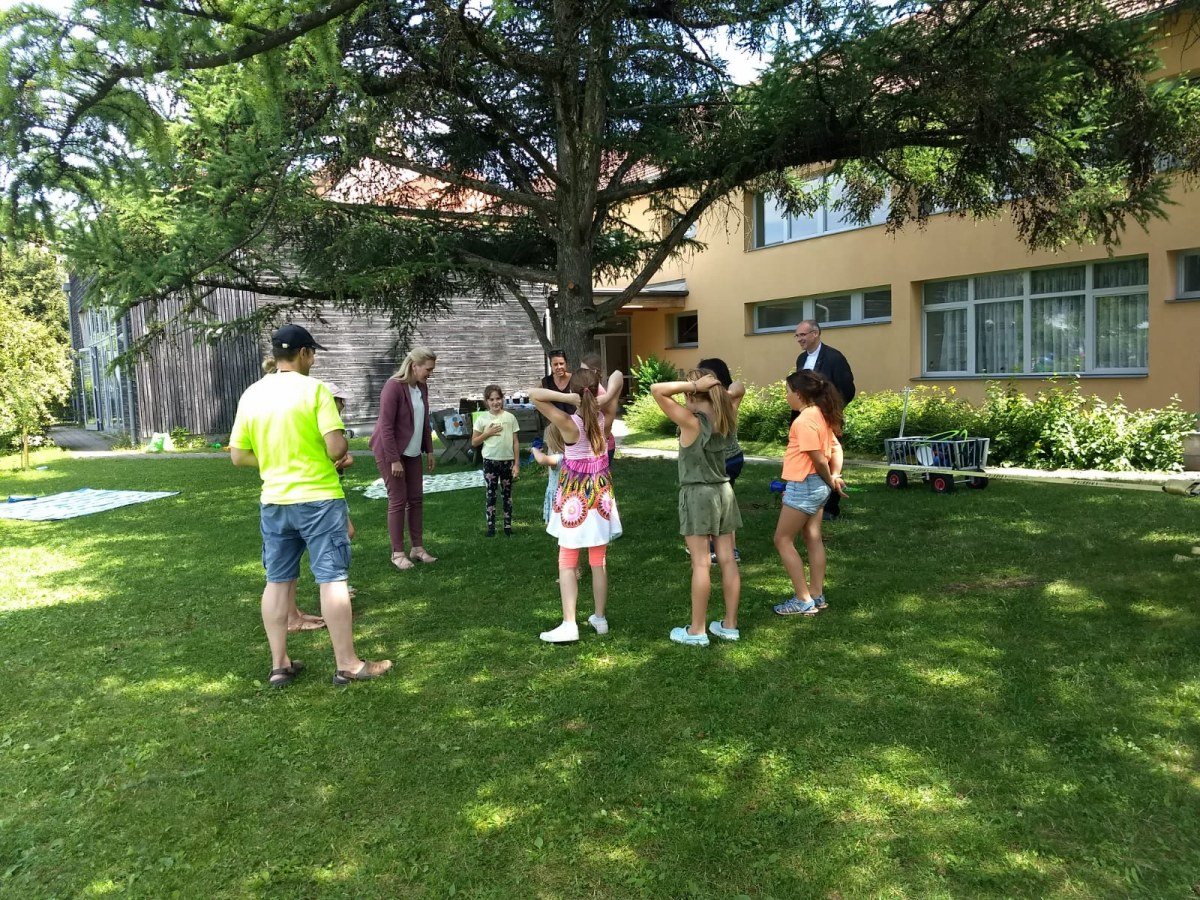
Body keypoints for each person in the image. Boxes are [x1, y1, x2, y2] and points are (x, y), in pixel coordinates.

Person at [229, 324, 392, 687]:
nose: (313, 359)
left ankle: (279, 666)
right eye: (312, 353)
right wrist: (330, 452)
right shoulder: (315, 390)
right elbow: (336, 448)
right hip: (319, 498)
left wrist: (275, 462)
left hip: (275, 501)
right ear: (303, 353)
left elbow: (238, 456)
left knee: (277, 581)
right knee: (332, 579)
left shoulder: (251, 394)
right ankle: (347, 664)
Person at [531, 366, 624, 643]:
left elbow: (534, 395)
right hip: (600, 497)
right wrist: (604, 399)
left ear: (574, 393)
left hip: (576, 500)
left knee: (567, 560)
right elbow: (618, 375)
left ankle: (570, 624)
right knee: (598, 560)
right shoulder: (605, 419)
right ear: (596, 391)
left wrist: (569, 399)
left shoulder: (568, 423)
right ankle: (600, 618)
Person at [651, 370, 741, 647]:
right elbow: (739, 388)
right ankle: (729, 626)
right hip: (724, 492)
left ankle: (697, 630)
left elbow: (657, 389)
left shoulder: (691, 423)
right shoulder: (726, 417)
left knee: (701, 563)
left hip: (698, 495)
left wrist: (692, 384)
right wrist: (718, 392)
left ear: (691, 395)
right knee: (727, 560)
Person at [772, 371, 849, 617]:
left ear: (799, 394)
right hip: (816, 486)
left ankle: (803, 600)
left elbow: (818, 459)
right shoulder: (821, 414)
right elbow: (836, 448)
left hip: (805, 485)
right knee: (812, 537)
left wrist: (830, 478)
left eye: (787, 391)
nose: (786, 396)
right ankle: (816, 594)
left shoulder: (804, 420)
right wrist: (835, 476)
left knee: (782, 540)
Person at [370, 346, 439, 570]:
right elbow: (386, 426)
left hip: (412, 451)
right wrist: (393, 459)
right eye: (428, 369)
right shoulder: (393, 387)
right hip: (390, 451)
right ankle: (397, 552)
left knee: (416, 499)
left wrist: (429, 450)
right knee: (398, 500)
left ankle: (417, 548)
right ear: (414, 366)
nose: (430, 374)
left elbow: (424, 420)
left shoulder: (422, 387)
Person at [793, 319, 855, 520]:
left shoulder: (834, 357)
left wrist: (830, 411)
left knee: (830, 459)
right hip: (807, 419)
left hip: (828, 418)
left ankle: (831, 507)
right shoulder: (801, 359)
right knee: (810, 459)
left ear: (815, 333)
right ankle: (811, 500)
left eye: (803, 335)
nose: (799, 339)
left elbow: (847, 389)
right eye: (797, 335)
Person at [697, 357, 746, 561]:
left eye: (705, 376)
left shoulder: (724, 399)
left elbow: (738, 386)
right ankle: (720, 546)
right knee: (722, 503)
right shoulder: (718, 401)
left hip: (724, 461)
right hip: (729, 460)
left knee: (719, 506)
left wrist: (714, 392)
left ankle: (726, 549)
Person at [472, 384, 521, 536]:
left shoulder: (510, 418)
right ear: (486, 401)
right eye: (491, 399)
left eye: (498, 398)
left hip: (507, 462)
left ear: (502, 399)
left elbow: (515, 442)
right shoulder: (482, 419)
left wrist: (516, 464)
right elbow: (474, 442)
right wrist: (487, 433)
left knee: (507, 495)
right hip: (490, 462)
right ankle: (491, 527)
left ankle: (507, 526)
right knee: (491, 494)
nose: (495, 402)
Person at [580, 351, 618, 463]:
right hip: (598, 444)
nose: (581, 373)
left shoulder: (597, 391)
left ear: (594, 371)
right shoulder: (591, 387)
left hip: (602, 445)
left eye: (584, 370)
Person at [531, 423, 565, 525]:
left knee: (558, 525)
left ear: (554, 440)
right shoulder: (569, 455)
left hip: (558, 496)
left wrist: (535, 450)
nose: (546, 443)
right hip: (566, 494)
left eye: (547, 441)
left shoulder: (558, 458)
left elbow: (542, 460)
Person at [539, 348, 575, 413]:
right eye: (555, 364)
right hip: (554, 418)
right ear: (551, 365)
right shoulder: (546, 382)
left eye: (561, 363)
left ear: (566, 363)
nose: (559, 367)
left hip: (574, 418)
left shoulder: (575, 379)